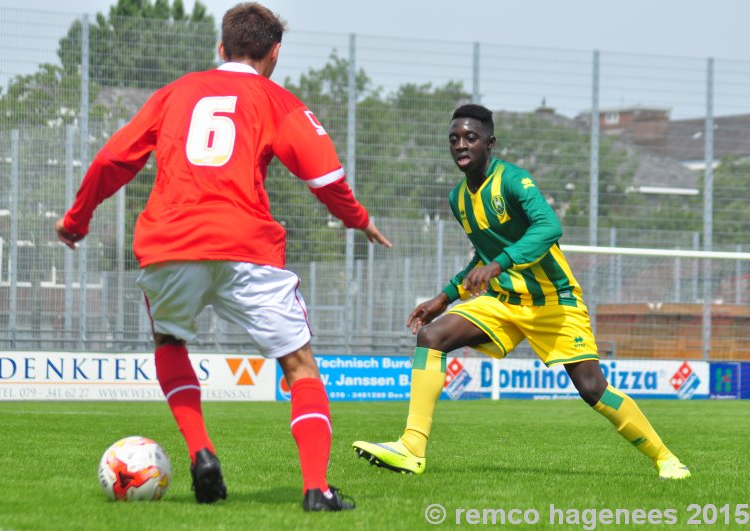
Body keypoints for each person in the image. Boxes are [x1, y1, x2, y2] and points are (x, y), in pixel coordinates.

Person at [56, 2, 391, 511]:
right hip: (246, 247)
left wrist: (77, 220)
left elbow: (111, 159)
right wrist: (357, 218)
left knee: (169, 339)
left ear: (220, 48)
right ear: (274, 53)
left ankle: (201, 451)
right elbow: (325, 178)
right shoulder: (278, 101)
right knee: (300, 369)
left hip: (170, 244)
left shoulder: (174, 93)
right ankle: (316, 489)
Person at [352, 103, 690, 481]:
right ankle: (412, 449)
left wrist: (498, 264)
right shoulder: (458, 198)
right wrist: (445, 296)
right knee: (432, 336)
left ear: (490, 143)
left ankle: (667, 459)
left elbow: (549, 227)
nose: (461, 145)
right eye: (454, 139)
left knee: (593, 389)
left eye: (471, 138)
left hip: (554, 303)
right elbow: (482, 257)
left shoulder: (513, 180)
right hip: (504, 302)